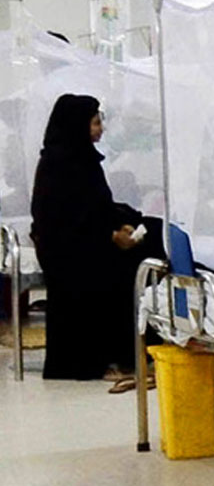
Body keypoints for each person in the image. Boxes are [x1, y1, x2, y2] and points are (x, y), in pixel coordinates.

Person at [31, 94, 163, 380]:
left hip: (88, 241)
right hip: (69, 251)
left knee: (155, 235)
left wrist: (121, 224)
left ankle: (142, 349)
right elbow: (61, 220)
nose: (100, 128)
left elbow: (97, 205)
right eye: (95, 123)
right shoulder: (58, 164)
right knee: (124, 271)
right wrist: (110, 236)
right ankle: (112, 358)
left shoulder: (83, 159)